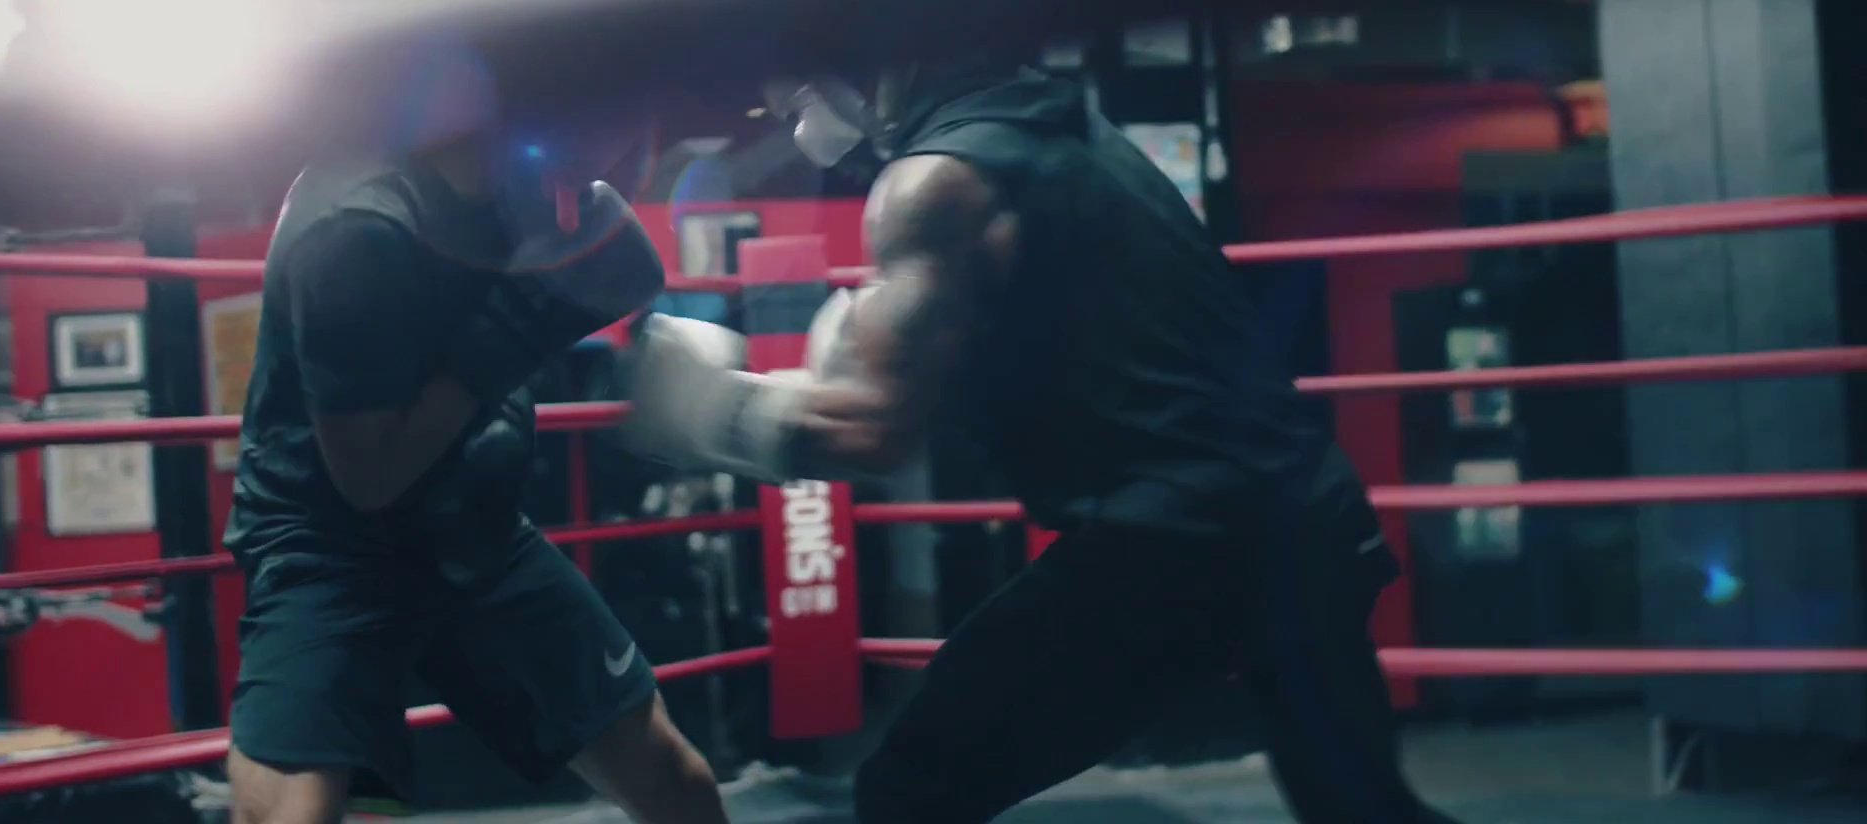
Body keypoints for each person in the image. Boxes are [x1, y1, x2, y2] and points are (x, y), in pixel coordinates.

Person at [619, 62, 1466, 823]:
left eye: (795, 94)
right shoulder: (1065, 131)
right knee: (1364, 812)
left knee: (913, 791)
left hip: (1175, 546)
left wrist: (707, 408)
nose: (790, 120)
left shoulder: (934, 184)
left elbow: (868, 428)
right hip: (1305, 517)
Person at [222, 40, 730, 824]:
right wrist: (516, 333)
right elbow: (370, 478)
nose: (637, 135)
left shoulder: (529, 178)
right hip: (331, 547)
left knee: (677, 784)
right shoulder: (358, 230)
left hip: (475, 530)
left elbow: (622, 244)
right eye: (621, 108)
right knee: (294, 817)